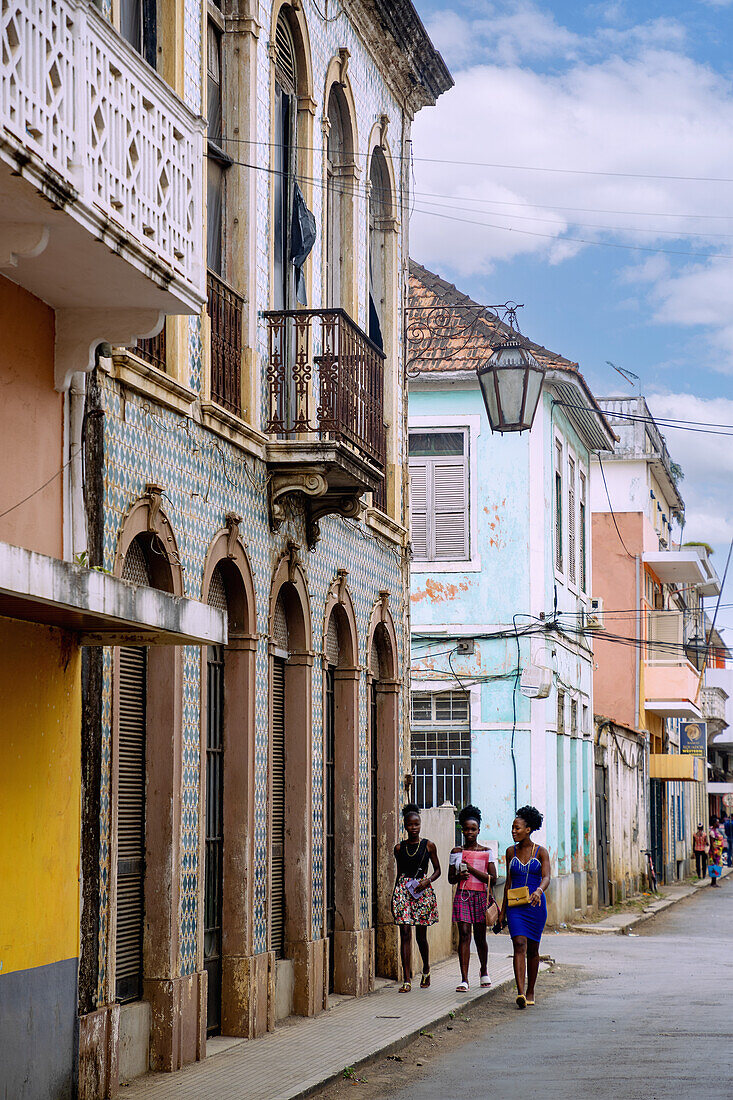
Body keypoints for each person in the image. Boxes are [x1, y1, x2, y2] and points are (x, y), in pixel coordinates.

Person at [498, 805, 551, 1009]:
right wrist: (502, 912)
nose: (513, 831)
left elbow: (546, 877)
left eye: (517, 828)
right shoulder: (510, 852)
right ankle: (520, 992)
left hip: (535, 905)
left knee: (533, 949)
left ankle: (531, 990)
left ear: (528, 829)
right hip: (515, 906)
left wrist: (539, 890)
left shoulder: (541, 852)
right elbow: (509, 883)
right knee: (519, 943)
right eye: (512, 828)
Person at [391, 804, 441, 991]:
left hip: (421, 892)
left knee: (421, 935)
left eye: (417, 824)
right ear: (405, 826)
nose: (414, 828)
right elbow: (399, 874)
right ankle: (406, 978)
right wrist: (395, 897)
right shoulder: (399, 848)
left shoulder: (428, 845)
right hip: (403, 892)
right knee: (404, 933)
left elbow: (438, 870)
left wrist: (427, 881)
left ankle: (426, 969)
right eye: (410, 825)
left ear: (420, 825)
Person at [448, 805, 497, 992]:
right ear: (461, 829)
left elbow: (493, 878)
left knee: (480, 936)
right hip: (462, 895)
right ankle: (464, 978)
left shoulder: (486, 852)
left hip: (480, 897)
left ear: (478, 830)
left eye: (473, 829)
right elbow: (450, 879)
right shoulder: (456, 852)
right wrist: (459, 876)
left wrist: (471, 868)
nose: (469, 832)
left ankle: (484, 970)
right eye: (466, 829)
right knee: (464, 935)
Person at [708, 816, 725, 887]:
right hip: (714, 852)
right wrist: (713, 854)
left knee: (716, 866)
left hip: (717, 852)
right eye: (717, 822)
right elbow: (712, 844)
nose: (718, 824)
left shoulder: (716, 831)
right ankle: (713, 882)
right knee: (713, 866)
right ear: (714, 823)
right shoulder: (712, 832)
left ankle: (714, 882)